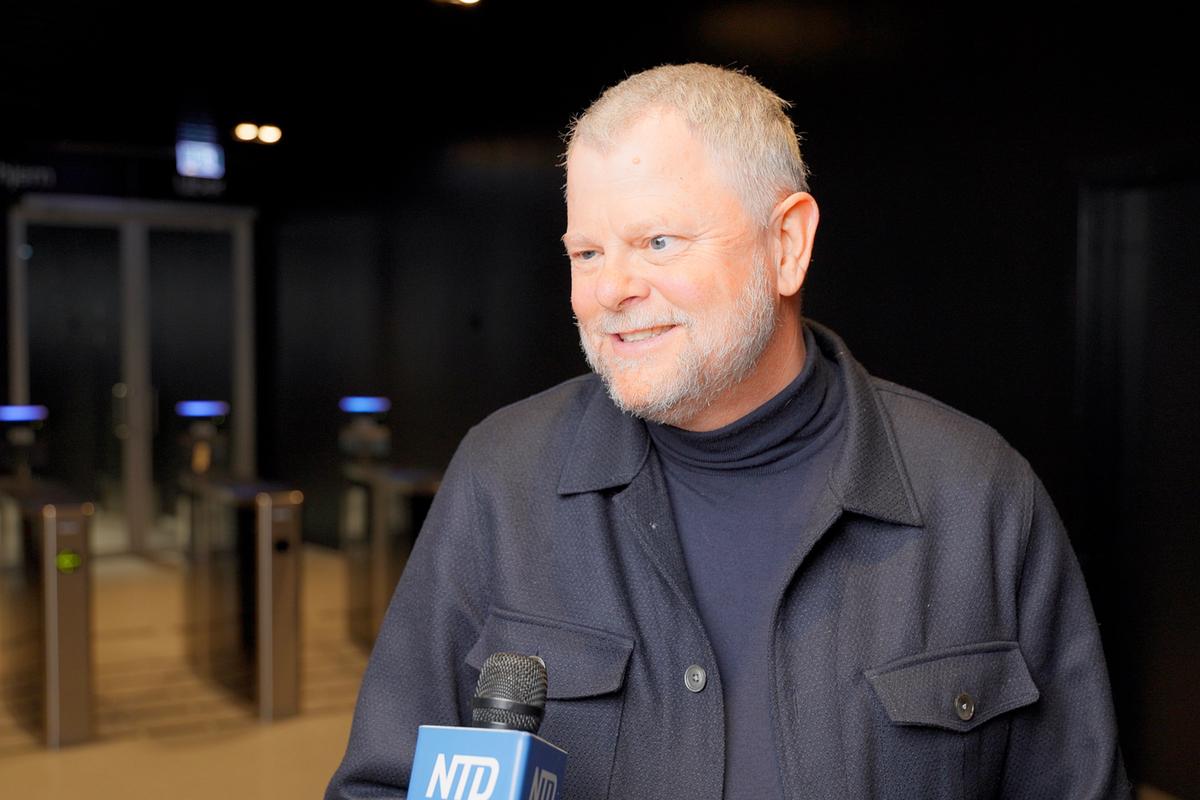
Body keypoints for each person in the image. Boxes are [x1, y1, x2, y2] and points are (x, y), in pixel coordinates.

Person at [326, 63, 1129, 799]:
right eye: (588, 251)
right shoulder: (501, 479)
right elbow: (382, 783)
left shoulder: (979, 495)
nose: (610, 290)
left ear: (787, 245)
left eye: (658, 242)